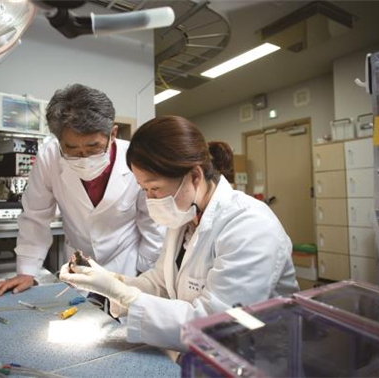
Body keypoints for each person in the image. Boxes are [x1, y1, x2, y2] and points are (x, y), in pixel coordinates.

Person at [59, 115, 299, 351]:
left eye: (154, 188)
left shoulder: (250, 225)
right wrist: (111, 282)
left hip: (258, 359)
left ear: (194, 176)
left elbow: (219, 324)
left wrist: (124, 296)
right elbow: (162, 284)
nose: (149, 199)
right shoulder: (186, 217)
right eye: (144, 189)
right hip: (203, 357)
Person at [0, 84, 165, 297]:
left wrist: (146, 273)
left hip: (126, 263)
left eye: (93, 148)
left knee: (124, 321)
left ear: (113, 133)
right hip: (78, 264)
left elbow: (152, 223)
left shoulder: (134, 159)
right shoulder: (48, 157)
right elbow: (35, 216)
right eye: (72, 150)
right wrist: (27, 271)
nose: (84, 158)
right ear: (59, 141)